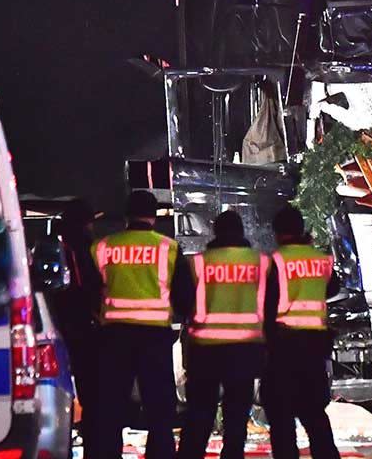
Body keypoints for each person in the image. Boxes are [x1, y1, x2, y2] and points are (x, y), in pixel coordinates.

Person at [93, 190, 193, 459]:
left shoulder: (103, 247)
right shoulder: (168, 248)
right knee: (159, 409)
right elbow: (185, 297)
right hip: (154, 338)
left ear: (126, 216)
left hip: (113, 337)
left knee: (111, 408)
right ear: (155, 217)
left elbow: (91, 292)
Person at [176, 210, 269, 459]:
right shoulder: (260, 263)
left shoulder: (197, 263)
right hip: (245, 350)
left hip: (204, 350)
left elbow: (181, 304)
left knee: (198, 414)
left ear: (215, 232)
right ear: (242, 232)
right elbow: (272, 305)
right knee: (237, 416)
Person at [262, 205, 340, 459]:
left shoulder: (276, 262)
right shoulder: (320, 260)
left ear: (278, 233)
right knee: (315, 413)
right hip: (315, 347)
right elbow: (331, 289)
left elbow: (267, 306)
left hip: (284, 347)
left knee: (281, 417)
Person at [51, 198, 103, 458]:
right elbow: (87, 289)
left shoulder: (59, 247)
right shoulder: (81, 249)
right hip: (81, 329)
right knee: (91, 393)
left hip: (62, 327)